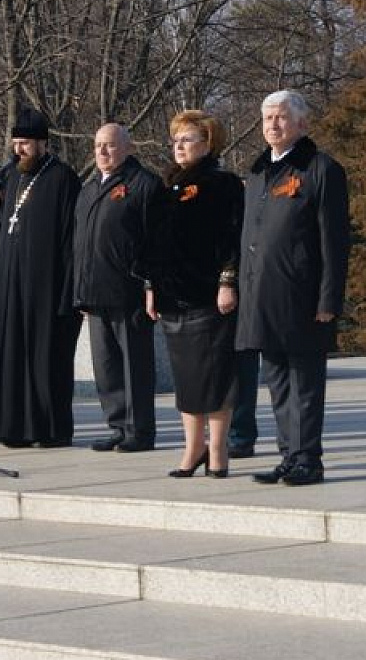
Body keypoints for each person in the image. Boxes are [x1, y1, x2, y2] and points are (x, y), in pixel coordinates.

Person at [239, 90, 351, 487]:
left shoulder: (320, 169)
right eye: (267, 117)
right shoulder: (256, 175)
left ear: (302, 124)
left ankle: (308, 459)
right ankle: (288, 455)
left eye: (281, 117)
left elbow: (333, 241)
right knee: (279, 383)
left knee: (304, 383)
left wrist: (328, 298)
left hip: (303, 297)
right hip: (263, 297)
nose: (273, 124)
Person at [0, 107, 82, 448]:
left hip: (45, 286)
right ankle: (12, 427)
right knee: (10, 358)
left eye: (26, 144)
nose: (19, 150)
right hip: (10, 284)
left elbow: (68, 240)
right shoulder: (11, 177)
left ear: (43, 144)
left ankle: (48, 430)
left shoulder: (62, 178)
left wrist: (67, 292)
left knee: (44, 360)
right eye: (16, 143)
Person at [143, 110, 242, 477]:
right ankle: (192, 447)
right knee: (185, 377)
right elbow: (153, 243)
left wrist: (227, 281)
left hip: (207, 294)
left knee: (213, 375)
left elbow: (233, 236)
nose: (179, 147)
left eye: (187, 140)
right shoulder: (166, 185)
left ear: (207, 143)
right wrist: (151, 286)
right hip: (172, 296)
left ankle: (217, 449)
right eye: (176, 140)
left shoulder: (222, 184)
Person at [76, 123, 161, 454]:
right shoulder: (88, 190)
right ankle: (117, 425)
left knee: (133, 364)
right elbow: (78, 243)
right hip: (95, 291)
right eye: (97, 145)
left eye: (109, 145)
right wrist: (79, 290)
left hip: (130, 291)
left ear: (127, 148)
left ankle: (138, 430)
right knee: (107, 365)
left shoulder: (144, 185)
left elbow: (154, 242)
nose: (102, 151)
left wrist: (151, 284)